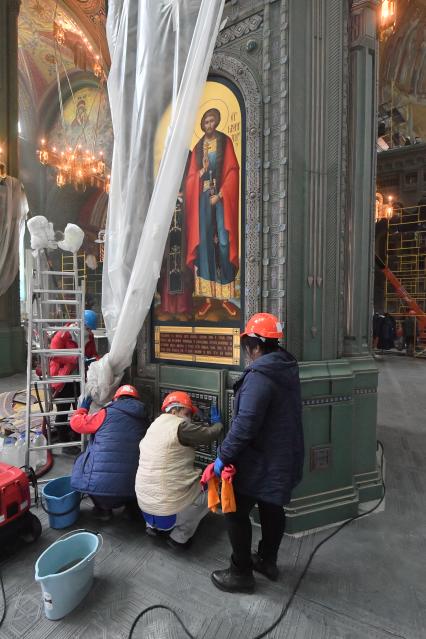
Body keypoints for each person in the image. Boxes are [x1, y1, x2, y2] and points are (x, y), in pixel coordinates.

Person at [210, 313, 304, 593]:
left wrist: (222, 457)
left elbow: (245, 426)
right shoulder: (285, 367)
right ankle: (266, 561)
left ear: (254, 345)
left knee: (235, 511)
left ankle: (240, 573)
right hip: (282, 457)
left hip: (261, 460)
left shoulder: (260, 376)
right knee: (272, 507)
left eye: (247, 347)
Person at [135, 391, 223, 549]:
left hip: (145, 507)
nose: (189, 417)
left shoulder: (155, 424)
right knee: (213, 487)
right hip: (167, 511)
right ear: (174, 410)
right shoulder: (180, 425)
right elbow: (210, 434)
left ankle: (152, 527)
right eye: (187, 412)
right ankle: (179, 538)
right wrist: (217, 424)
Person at [185, 108, 240, 319]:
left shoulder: (225, 142)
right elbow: (190, 179)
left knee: (224, 241)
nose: (209, 125)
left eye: (212, 121)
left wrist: (222, 194)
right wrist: (201, 171)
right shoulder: (198, 148)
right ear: (202, 124)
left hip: (221, 198)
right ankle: (208, 298)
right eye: (206, 122)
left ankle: (225, 296)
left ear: (216, 122)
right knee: (205, 242)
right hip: (203, 198)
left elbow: (233, 171)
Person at [70, 384, 148, 521]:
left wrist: (83, 408)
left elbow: (76, 424)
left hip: (100, 490)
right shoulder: (145, 419)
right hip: (133, 490)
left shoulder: (104, 414)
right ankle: (131, 509)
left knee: (81, 459)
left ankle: (103, 510)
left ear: (115, 400)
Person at [49, 309, 99, 449]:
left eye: (90, 329)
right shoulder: (62, 335)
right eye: (87, 328)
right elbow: (54, 355)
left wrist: (98, 360)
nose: (89, 331)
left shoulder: (89, 337)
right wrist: (75, 358)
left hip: (79, 378)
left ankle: (77, 437)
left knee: (80, 408)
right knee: (63, 410)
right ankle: (65, 442)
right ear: (80, 324)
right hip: (63, 378)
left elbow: (93, 353)